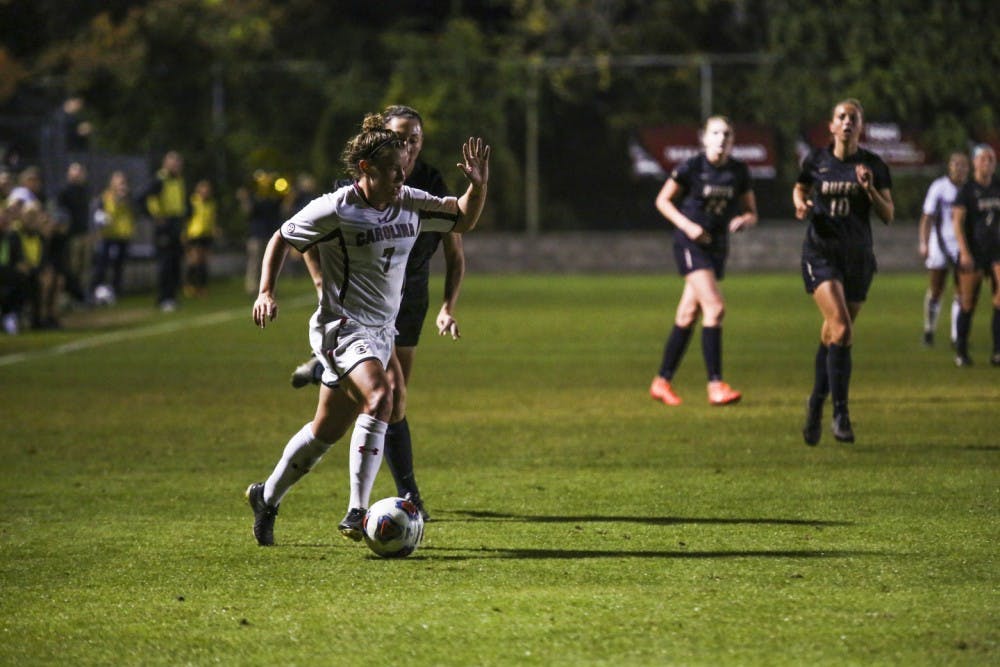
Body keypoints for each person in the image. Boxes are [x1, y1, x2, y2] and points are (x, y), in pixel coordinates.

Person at [245, 113, 490, 547]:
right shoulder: (338, 208)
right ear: (366, 169)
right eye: (393, 169)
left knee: (325, 431)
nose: (402, 175)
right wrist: (266, 290)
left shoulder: (410, 201)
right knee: (381, 396)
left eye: (403, 168)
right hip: (342, 328)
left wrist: (477, 186)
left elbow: (463, 220)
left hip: (380, 332)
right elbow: (282, 237)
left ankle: (266, 496)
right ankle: (358, 511)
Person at [290, 105, 466, 520]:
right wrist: (320, 283)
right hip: (359, 307)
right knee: (388, 395)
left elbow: (456, 244)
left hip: (409, 297)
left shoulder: (427, 182)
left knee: (391, 400)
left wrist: (447, 306)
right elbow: (303, 234)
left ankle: (326, 371)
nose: (410, 145)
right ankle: (404, 494)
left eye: (415, 138)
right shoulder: (353, 191)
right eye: (402, 137)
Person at [794, 98, 894, 445]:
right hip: (821, 254)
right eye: (842, 116)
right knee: (842, 329)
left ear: (860, 127)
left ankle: (814, 404)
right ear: (832, 126)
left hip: (857, 259)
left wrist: (869, 189)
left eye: (854, 117)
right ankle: (841, 414)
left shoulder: (873, 165)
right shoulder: (817, 160)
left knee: (832, 336)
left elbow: (888, 215)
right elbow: (800, 187)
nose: (847, 121)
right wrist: (800, 203)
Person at [649, 115, 757, 407]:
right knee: (715, 308)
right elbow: (662, 201)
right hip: (690, 244)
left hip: (716, 246)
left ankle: (661, 382)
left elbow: (752, 212)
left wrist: (743, 220)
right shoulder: (692, 167)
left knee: (687, 315)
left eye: (727, 134)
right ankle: (715, 385)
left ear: (733, 141)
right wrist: (688, 226)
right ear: (704, 138)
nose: (721, 139)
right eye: (716, 133)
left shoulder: (738, 171)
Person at [951, 144, 1000, 367]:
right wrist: (964, 252)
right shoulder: (967, 190)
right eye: (983, 159)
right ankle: (961, 351)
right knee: (968, 302)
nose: (987, 163)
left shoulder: (997, 187)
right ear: (975, 163)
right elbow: (957, 223)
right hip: (974, 252)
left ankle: (997, 352)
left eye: (991, 159)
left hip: (997, 251)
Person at [918, 152, 970, 347]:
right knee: (936, 289)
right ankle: (929, 330)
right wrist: (923, 242)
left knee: (961, 291)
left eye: (963, 165)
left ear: (968, 168)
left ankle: (956, 337)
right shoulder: (939, 187)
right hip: (939, 244)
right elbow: (927, 217)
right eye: (956, 164)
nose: (959, 168)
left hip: (962, 245)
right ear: (949, 166)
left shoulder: (970, 189)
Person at [142, 150, 188, 312]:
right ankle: (163, 298)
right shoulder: (159, 180)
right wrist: (155, 217)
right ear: (165, 164)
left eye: (178, 163)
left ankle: (171, 297)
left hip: (176, 224)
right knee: (165, 264)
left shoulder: (178, 180)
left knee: (175, 263)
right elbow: (143, 197)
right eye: (173, 163)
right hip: (165, 226)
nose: (176, 166)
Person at [238, 170, 286, 295]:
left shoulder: (272, 197)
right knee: (255, 262)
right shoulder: (253, 197)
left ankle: (270, 286)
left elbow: (282, 208)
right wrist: (244, 199)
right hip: (256, 233)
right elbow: (248, 212)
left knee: (271, 261)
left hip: (271, 233)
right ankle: (252, 287)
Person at [91, 171, 136, 303]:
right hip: (108, 235)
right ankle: (96, 290)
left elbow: (135, 212)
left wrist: (125, 199)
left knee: (119, 266)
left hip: (123, 235)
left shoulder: (129, 197)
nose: (120, 185)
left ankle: (116, 291)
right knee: (102, 265)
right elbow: (98, 214)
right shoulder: (105, 196)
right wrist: (102, 220)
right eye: (117, 181)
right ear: (111, 183)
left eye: (122, 182)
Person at [55, 162, 93, 306]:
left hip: (85, 234)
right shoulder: (64, 192)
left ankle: (82, 296)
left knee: (85, 268)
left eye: (80, 172)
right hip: (72, 235)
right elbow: (61, 214)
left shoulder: (85, 191)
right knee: (72, 268)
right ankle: (70, 296)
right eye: (75, 173)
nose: (78, 175)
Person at [183, 179, 218, 297]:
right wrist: (184, 233)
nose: (206, 192)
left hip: (206, 235)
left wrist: (214, 228)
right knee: (194, 261)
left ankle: (202, 287)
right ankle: (190, 285)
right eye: (203, 189)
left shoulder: (211, 204)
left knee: (204, 261)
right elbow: (187, 218)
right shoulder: (193, 202)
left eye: (207, 190)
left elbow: (212, 218)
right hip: (194, 234)